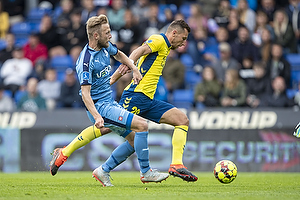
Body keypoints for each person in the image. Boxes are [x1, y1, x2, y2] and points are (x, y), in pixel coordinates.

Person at [49, 14, 169, 186]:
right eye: (107, 32)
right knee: (142, 125)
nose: (110, 35)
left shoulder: (105, 47)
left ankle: (103, 171)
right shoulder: (85, 61)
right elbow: (85, 93)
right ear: (96, 35)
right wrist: (98, 116)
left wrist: (134, 68)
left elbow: (119, 55)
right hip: (101, 107)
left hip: (110, 103)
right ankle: (146, 172)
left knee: (135, 140)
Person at [112, 19, 197, 182]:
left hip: (148, 100)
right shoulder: (158, 40)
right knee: (106, 126)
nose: (184, 43)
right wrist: (132, 66)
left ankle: (177, 165)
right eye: (183, 38)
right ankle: (66, 152)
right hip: (136, 96)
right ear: (174, 33)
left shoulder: (165, 47)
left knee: (182, 120)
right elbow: (138, 51)